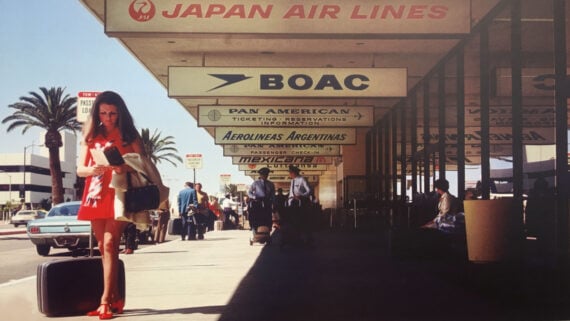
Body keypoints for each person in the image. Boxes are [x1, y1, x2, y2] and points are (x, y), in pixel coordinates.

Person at [77, 90, 144, 319]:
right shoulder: (90, 136)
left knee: (110, 243)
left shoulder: (129, 136)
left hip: (119, 193)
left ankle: (105, 300)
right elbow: (80, 170)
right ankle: (115, 298)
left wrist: (122, 167)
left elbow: (143, 166)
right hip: (95, 193)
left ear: (120, 113)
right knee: (103, 248)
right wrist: (93, 169)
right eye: (103, 113)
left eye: (113, 113)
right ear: (97, 112)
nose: (108, 117)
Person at [287, 165, 313, 244]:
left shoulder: (302, 179)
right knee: (293, 221)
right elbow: (291, 192)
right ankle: (296, 238)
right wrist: (289, 202)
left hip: (301, 202)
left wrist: (301, 196)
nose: (290, 174)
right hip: (292, 203)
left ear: (294, 173)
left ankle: (305, 239)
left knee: (301, 221)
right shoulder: (292, 181)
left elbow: (309, 191)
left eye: (290, 173)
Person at [247, 167, 276, 240]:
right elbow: (249, 192)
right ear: (260, 175)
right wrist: (254, 197)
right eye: (263, 174)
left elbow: (273, 195)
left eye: (266, 174)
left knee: (267, 218)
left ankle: (267, 233)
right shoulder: (255, 183)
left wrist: (273, 203)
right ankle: (255, 232)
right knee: (256, 217)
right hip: (257, 202)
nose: (265, 175)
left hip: (267, 202)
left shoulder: (270, 184)